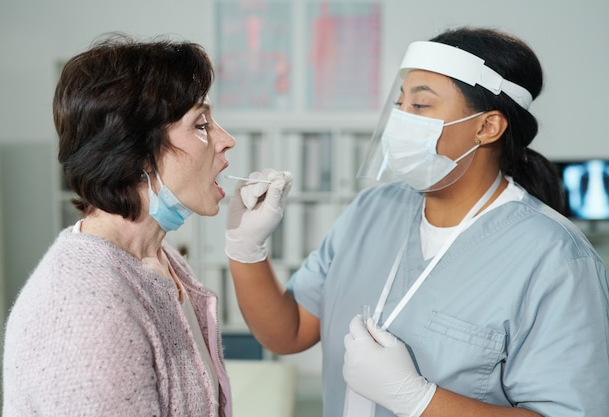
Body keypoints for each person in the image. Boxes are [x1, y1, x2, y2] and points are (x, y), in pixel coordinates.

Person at [224, 27, 609, 416]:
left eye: (421, 107)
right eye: (399, 104)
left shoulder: (556, 259)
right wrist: (246, 248)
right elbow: (287, 333)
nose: (401, 121)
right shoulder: (371, 211)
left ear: (487, 126)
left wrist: (419, 399)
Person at [3, 34, 236, 417]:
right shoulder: (85, 312)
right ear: (136, 152)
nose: (226, 140)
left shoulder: (160, 262)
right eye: (201, 124)